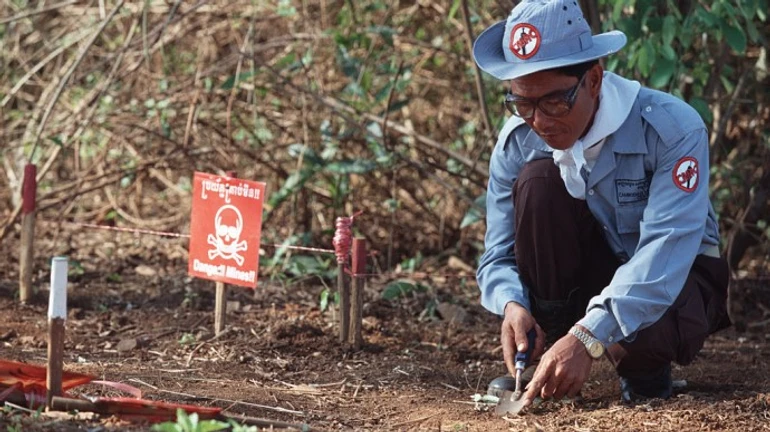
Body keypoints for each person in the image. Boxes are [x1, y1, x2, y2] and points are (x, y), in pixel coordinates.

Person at [473, 0, 730, 406]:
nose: (538, 121)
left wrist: (589, 335)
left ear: (593, 80)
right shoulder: (518, 139)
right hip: (595, 277)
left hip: (674, 278)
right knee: (538, 183)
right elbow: (497, 254)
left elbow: (667, 250)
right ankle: (547, 359)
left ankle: (644, 370)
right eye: (523, 103)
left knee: (648, 319)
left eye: (554, 102)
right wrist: (512, 304)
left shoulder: (671, 129)